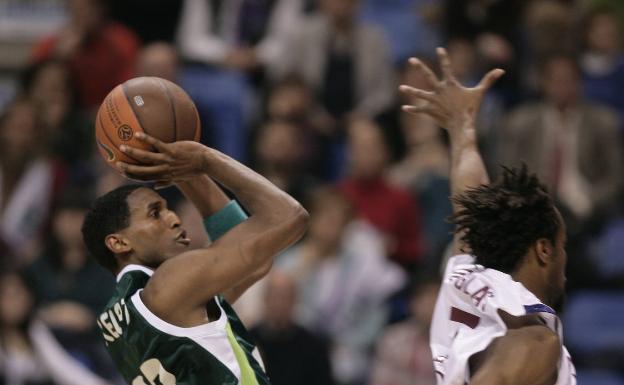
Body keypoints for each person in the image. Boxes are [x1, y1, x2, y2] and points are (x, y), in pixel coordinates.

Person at [399, 48, 576, 384]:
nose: (566, 260)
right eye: (562, 246)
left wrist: (461, 129)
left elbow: (468, 199)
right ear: (543, 250)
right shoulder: (532, 336)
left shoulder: (465, 276)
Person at [81, 133, 308, 384]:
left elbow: (257, 264)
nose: (174, 218)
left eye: (168, 208)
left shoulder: (124, 313)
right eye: (155, 214)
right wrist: (205, 160)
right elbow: (289, 217)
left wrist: (183, 174)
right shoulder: (170, 283)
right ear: (119, 243)